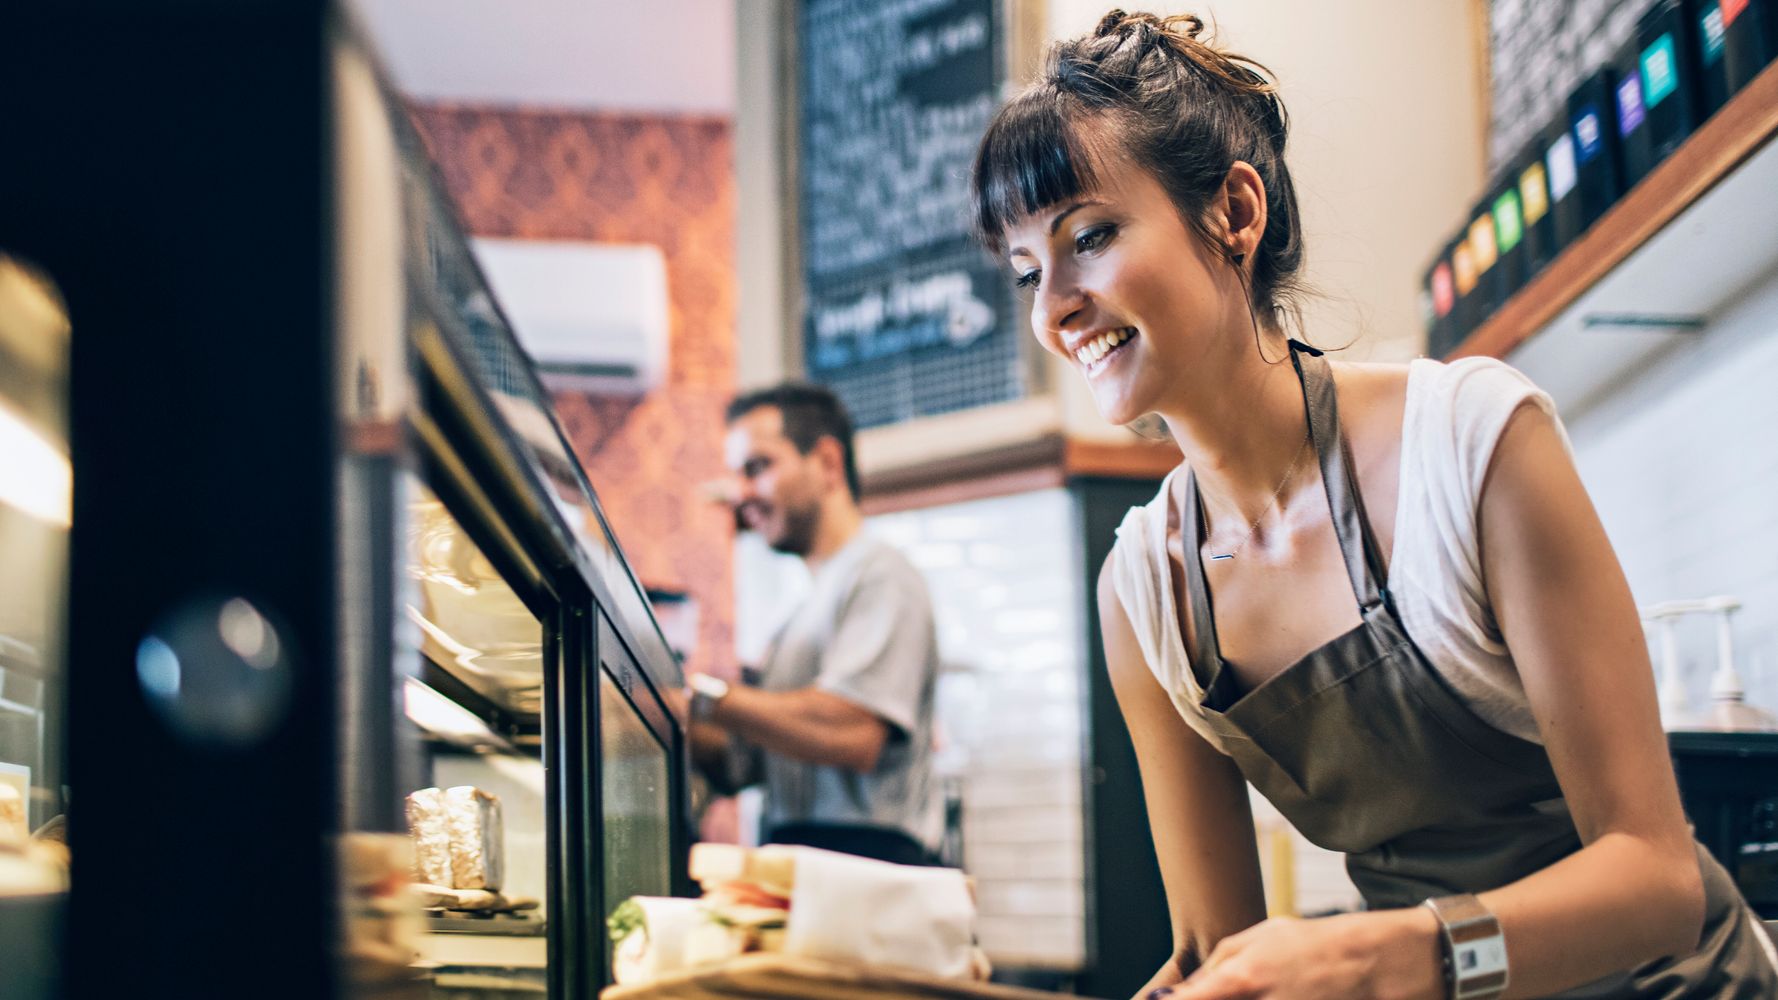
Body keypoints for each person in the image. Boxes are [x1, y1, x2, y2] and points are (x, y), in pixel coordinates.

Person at [971, 10, 1777, 999]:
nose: (1052, 306)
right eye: (1022, 272)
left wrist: (1387, 954)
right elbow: (1210, 959)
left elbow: (1654, 883)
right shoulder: (1145, 593)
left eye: (1086, 237)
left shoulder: (1467, 444)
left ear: (1233, 211)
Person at [679, 382, 941, 866]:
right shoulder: (796, 612)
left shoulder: (880, 574)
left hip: (869, 863)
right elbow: (745, 762)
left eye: (757, 468)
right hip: (801, 853)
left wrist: (708, 697)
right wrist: (660, 709)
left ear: (826, 462)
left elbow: (853, 731)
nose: (742, 495)